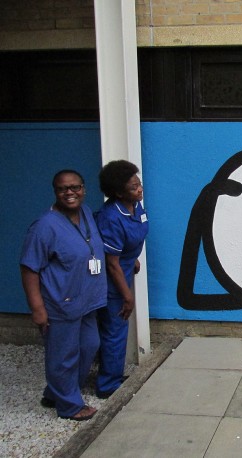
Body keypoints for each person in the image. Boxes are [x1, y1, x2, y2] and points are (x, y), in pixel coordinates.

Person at [20, 170, 106, 421]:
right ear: (55, 192)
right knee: (63, 355)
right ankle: (69, 406)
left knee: (90, 345)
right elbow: (29, 268)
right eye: (62, 189)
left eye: (75, 187)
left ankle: (55, 392)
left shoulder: (87, 213)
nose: (70, 193)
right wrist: (37, 308)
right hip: (60, 303)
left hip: (88, 300)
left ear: (84, 188)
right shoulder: (44, 226)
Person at [95, 160, 148, 399]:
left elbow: (133, 237)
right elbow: (111, 262)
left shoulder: (136, 207)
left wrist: (133, 257)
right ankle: (107, 385)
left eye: (139, 184)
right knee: (115, 329)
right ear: (117, 192)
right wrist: (127, 296)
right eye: (133, 187)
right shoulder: (110, 217)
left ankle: (111, 374)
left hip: (124, 267)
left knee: (116, 329)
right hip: (111, 280)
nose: (139, 189)